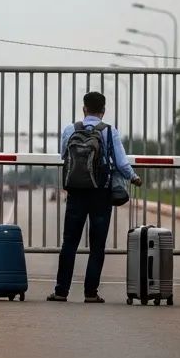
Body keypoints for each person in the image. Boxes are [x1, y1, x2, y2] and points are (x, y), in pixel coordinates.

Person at [48, 91, 140, 304]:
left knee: (69, 242)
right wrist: (134, 177)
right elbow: (120, 163)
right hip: (101, 192)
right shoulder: (109, 131)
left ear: (84, 109)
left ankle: (61, 291)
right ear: (103, 111)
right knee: (97, 245)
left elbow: (64, 154)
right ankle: (91, 293)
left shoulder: (71, 129)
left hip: (76, 191)